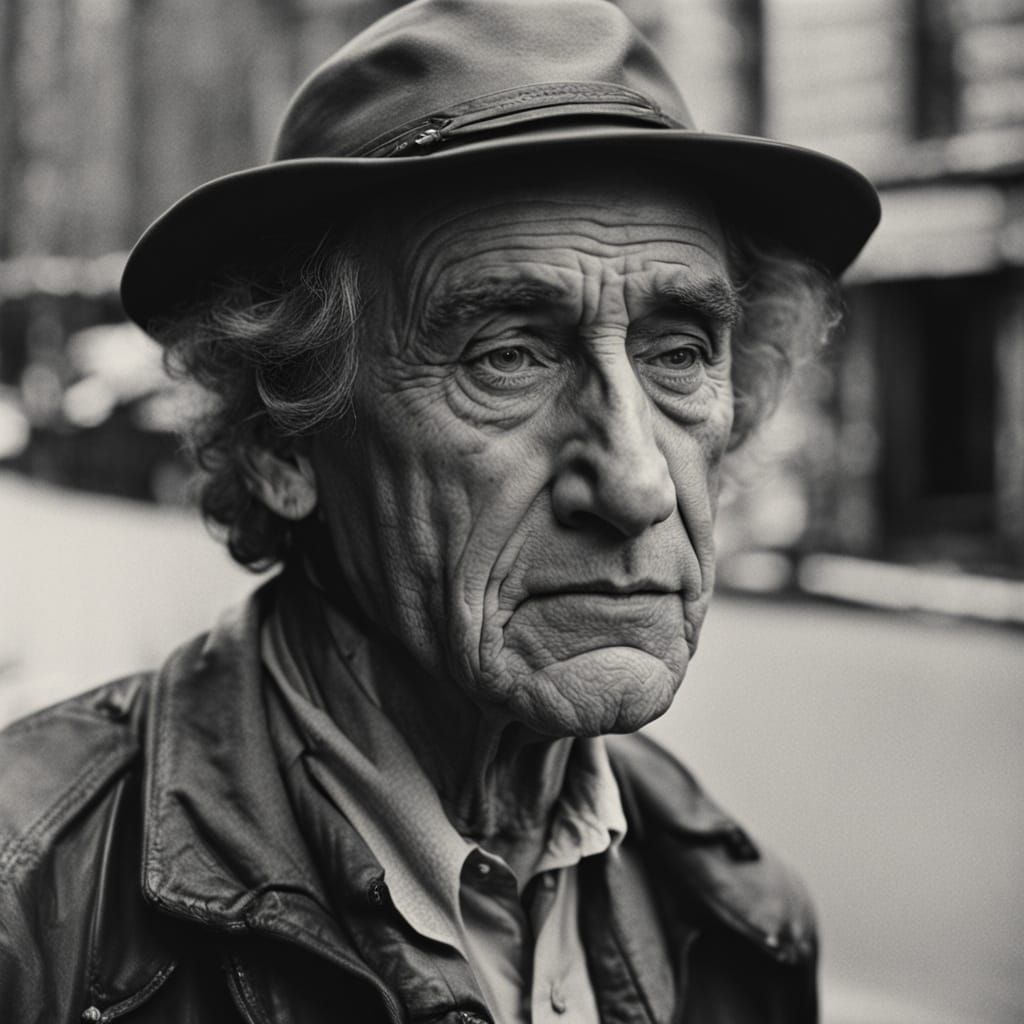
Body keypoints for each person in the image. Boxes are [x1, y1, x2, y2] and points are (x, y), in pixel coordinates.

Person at [0, 1, 879, 1021]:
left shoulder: (741, 920)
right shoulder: (34, 914)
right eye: (508, 356)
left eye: (678, 353)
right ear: (284, 443)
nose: (638, 482)